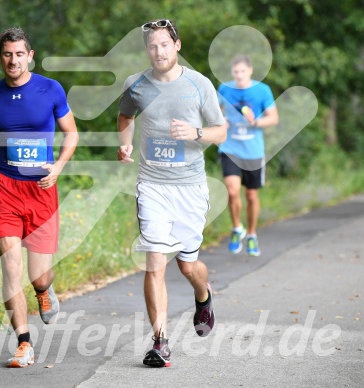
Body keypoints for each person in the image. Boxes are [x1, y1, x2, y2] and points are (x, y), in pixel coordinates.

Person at [0, 27, 79, 368]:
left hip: (41, 190)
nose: (13, 60)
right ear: (0, 58)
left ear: (30, 55)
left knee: (39, 275)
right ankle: (24, 342)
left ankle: (43, 291)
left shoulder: (50, 89)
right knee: (10, 266)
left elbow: (72, 134)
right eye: (7, 54)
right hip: (6, 187)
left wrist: (58, 167)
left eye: (19, 53)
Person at [117, 19, 227, 368]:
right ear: (146, 50)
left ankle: (203, 295)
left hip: (190, 188)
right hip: (152, 185)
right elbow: (124, 116)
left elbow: (221, 132)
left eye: (165, 44)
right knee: (154, 263)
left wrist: (195, 132)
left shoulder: (199, 85)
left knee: (188, 265)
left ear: (176, 46)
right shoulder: (135, 84)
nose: (159, 51)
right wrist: (125, 144)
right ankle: (160, 341)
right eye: (152, 46)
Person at [217, 55, 279, 256]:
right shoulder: (225, 89)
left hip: (253, 151)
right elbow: (217, 112)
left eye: (243, 71)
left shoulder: (262, 91)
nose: (239, 76)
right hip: (230, 148)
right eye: (236, 72)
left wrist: (256, 122)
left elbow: (273, 118)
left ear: (250, 71)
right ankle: (237, 228)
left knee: (251, 195)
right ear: (232, 73)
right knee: (232, 190)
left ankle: (252, 234)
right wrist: (220, 122)